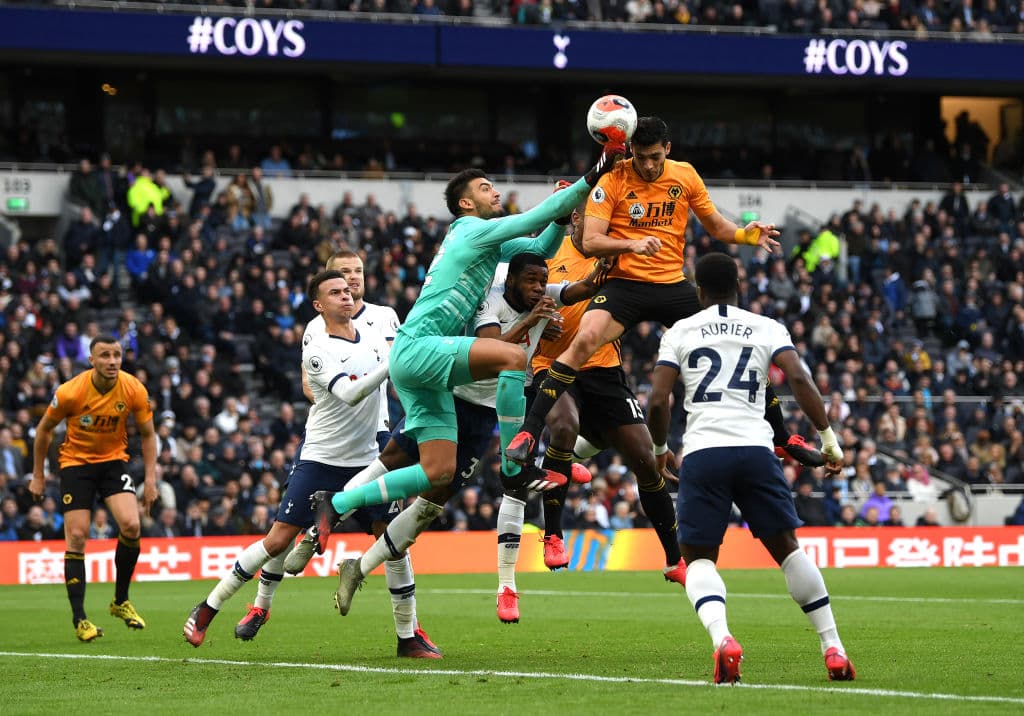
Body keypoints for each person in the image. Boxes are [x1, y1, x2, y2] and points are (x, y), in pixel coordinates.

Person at [310, 146, 625, 552]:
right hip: (419, 345)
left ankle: (336, 502)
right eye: (486, 188)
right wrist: (594, 172)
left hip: (423, 365)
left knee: (439, 472)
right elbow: (533, 218)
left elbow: (540, 250)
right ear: (466, 203)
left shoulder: (488, 245)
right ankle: (515, 465)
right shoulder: (469, 229)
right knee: (513, 357)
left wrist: (562, 216)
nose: (495, 192)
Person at [288, 251, 604, 624]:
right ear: (511, 279)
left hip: (487, 415)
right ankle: (319, 525)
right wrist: (531, 321)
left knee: (430, 505)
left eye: (542, 281)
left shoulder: (544, 296)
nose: (538, 288)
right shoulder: (489, 297)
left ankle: (359, 566)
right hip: (451, 398)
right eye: (531, 281)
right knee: (389, 461)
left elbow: (578, 289)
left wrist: (604, 266)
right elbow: (496, 348)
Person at [508, 116, 823, 471]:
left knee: (734, 341)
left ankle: (782, 437)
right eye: (640, 157)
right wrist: (632, 244)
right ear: (630, 150)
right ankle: (529, 432)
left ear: (668, 149)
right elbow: (592, 241)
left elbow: (716, 225)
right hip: (624, 284)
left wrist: (745, 235)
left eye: (655, 157)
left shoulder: (684, 175)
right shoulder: (612, 178)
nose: (647, 165)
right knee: (585, 339)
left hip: (672, 285)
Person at [183, 272, 441, 658]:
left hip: (368, 459)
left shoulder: (374, 336)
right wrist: (392, 363)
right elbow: (350, 393)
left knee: (393, 542)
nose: (346, 296)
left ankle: (408, 636)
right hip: (322, 458)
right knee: (277, 541)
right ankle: (209, 607)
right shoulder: (317, 348)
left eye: (348, 290)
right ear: (319, 305)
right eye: (335, 292)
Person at [646, 252, 854, 684]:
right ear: (739, 285)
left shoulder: (680, 331)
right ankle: (833, 647)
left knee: (698, 560)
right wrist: (829, 440)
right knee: (789, 550)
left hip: (704, 452)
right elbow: (800, 379)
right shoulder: (766, 326)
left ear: (699, 290)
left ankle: (723, 640)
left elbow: (658, 399)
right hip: (757, 451)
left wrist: (660, 448)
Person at [497, 202, 687, 625]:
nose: (594, 223)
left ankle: (675, 559)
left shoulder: (617, 255)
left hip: (604, 369)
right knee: (564, 427)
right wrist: (536, 320)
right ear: (574, 219)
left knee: (645, 458)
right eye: (586, 216)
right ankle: (553, 534)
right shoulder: (548, 254)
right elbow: (524, 296)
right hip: (551, 363)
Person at [29, 335, 158, 643]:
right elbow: (44, 430)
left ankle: (120, 601)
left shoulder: (133, 388)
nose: (112, 361)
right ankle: (80, 619)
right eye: (104, 355)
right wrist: (38, 475)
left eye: (116, 355)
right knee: (76, 536)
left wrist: (151, 479)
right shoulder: (70, 391)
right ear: (91, 360)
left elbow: (148, 434)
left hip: (113, 463)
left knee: (131, 525)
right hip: (76, 465)